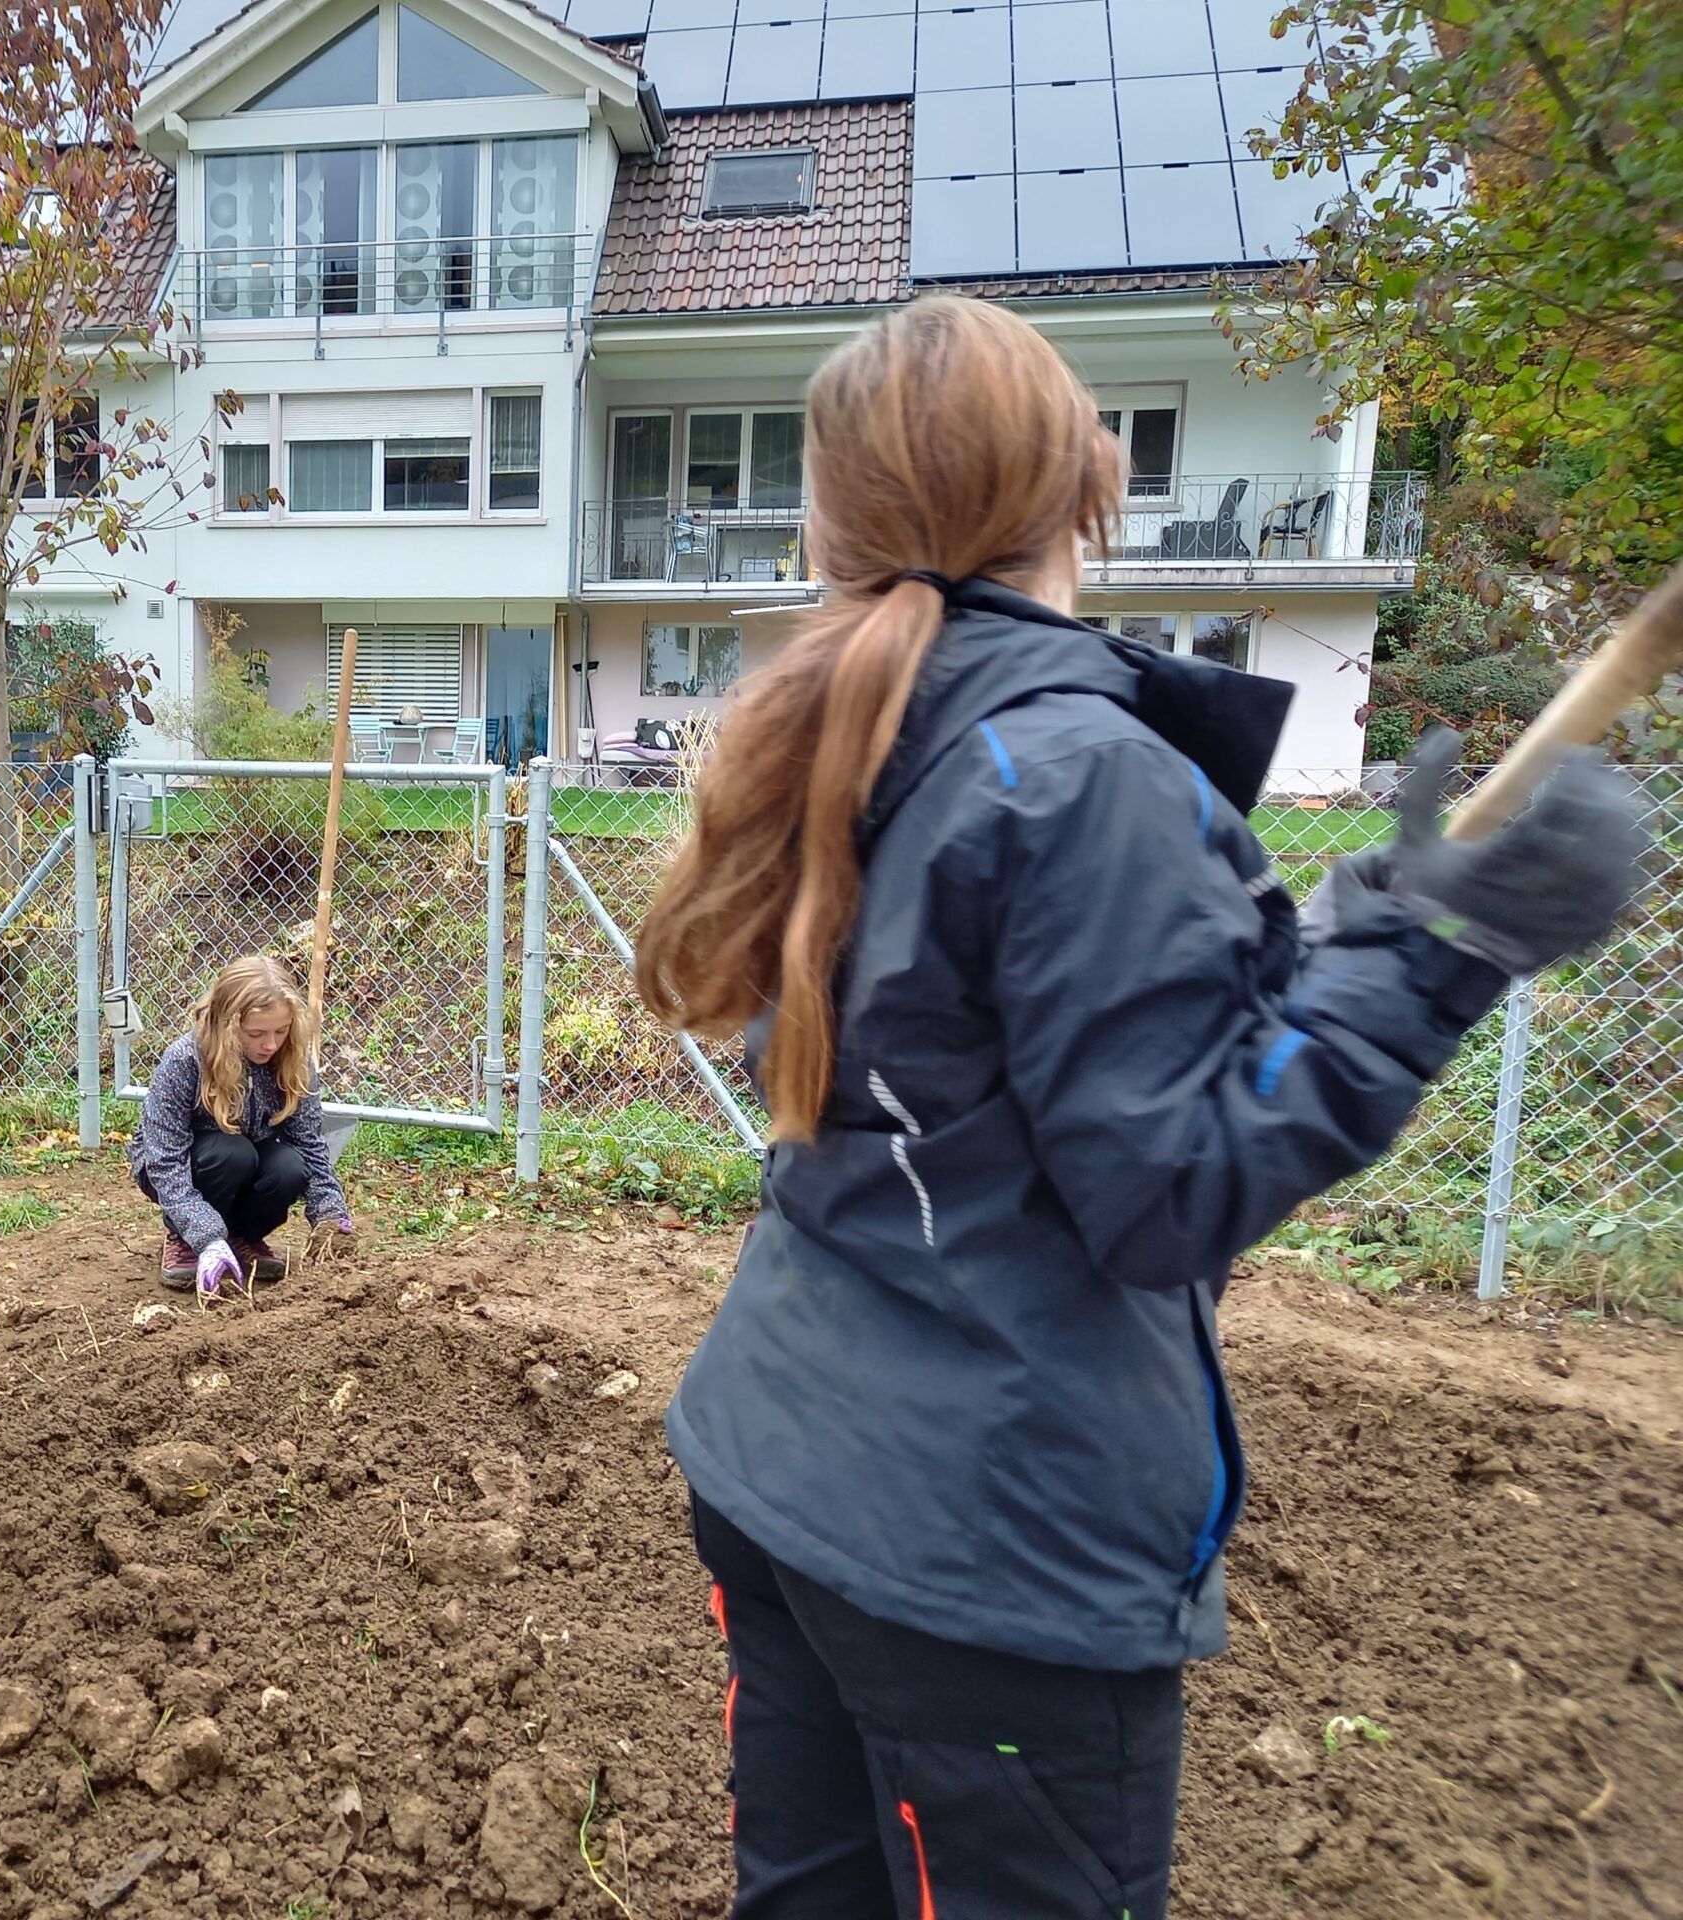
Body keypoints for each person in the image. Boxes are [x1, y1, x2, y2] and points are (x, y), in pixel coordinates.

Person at [633, 295, 1643, 1919]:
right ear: (1076, 501)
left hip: (786, 1473)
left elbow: (1027, 1058)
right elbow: (1174, 1178)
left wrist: (1360, 932)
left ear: (833, 525)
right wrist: (1451, 952)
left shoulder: (853, 747)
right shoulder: (1072, 774)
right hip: (984, 1560)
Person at [130, 954, 353, 1296]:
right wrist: (204, 1234)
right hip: (187, 1165)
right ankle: (186, 1238)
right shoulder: (185, 1060)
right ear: (228, 1024)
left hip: (251, 1154)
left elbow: (309, 1143)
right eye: (257, 1033)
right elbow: (164, 1161)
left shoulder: (292, 1060)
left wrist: (330, 1213)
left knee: (292, 1167)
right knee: (233, 1153)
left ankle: (241, 1236)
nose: (271, 1044)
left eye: (281, 1030)